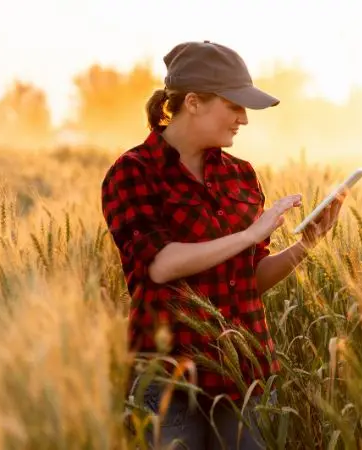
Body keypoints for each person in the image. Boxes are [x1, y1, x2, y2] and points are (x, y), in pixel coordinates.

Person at [100, 40, 346, 449]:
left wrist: (308, 244)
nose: (244, 119)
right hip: (169, 382)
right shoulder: (132, 172)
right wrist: (248, 235)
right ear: (193, 102)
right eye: (234, 106)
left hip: (244, 374)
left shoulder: (241, 176)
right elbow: (160, 265)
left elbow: (251, 278)